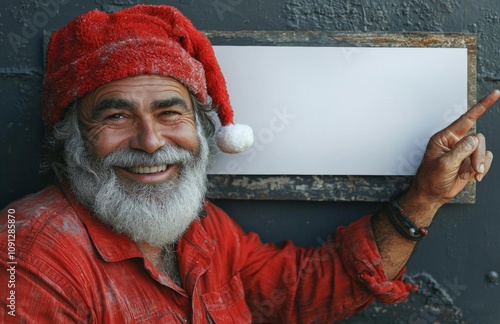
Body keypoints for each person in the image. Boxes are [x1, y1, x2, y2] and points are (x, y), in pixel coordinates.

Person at [0, 4, 498, 323]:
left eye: (170, 111)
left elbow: (300, 291)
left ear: (200, 127)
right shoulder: (29, 259)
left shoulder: (199, 228)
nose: (150, 142)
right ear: (74, 138)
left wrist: (425, 197)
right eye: (115, 115)